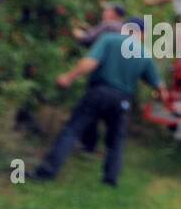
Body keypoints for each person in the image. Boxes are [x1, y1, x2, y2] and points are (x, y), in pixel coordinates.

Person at [33, 19, 168, 188]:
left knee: (72, 130)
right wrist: (162, 100)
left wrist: (69, 77)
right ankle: (110, 180)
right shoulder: (145, 54)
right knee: (116, 141)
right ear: (143, 34)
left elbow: (90, 62)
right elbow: (160, 87)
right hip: (123, 100)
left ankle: (47, 172)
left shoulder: (109, 39)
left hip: (99, 92)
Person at [71, 2, 128, 154]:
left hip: (100, 74)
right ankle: (103, 149)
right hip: (118, 79)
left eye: (107, 10)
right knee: (108, 116)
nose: (104, 12)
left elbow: (87, 39)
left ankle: (87, 144)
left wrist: (75, 32)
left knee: (89, 109)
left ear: (114, 13)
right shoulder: (124, 30)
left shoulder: (107, 25)